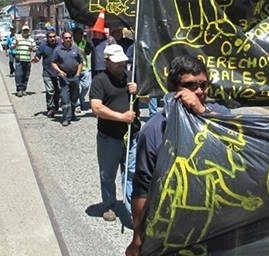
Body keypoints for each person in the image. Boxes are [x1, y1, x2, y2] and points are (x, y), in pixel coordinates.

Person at [126, 55, 229, 256]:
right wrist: (138, 238)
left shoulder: (220, 115)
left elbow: (240, 140)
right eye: (190, 85)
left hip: (218, 226)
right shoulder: (155, 130)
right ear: (172, 87)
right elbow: (143, 188)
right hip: (174, 228)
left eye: (203, 85)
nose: (199, 91)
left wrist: (202, 112)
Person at [89, 44, 140, 223]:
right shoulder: (100, 80)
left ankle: (133, 208)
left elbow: (149, 99)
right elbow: (96, 107)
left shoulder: (131, 78)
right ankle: (109, 204)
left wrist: (139, 91)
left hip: (132, 135)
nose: (121, 66)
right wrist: (121, 117)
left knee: (132, 172)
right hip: (109, 136)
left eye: (123, 62)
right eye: (117, 63)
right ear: (107, 62)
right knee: (108, 174)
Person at [51, 30, 83, 127]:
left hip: (75, 76)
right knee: (65, 98)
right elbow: (53, 62)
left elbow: (80, 61)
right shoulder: (58, 50)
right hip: (64, 77)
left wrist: (78, 73)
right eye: (66, 38)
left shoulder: (75, 48)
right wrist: (59, 71)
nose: (68, 39)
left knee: (74, 96)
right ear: (62, 39)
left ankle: (72, 113)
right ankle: (66, 118)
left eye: (69, 38)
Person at [34, 30, 61, 118]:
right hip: (47, 72)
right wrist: (36, 59)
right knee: (50, 91)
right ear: (47, 38)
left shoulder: (60, 45)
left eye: (54, 36)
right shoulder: (43, 46)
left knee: (58, 91)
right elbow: (38, 55)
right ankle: (50, 108)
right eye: (50, 37)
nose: (52, 39)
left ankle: (56, 105)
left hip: (58, 72)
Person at [12, 24, 37, 97]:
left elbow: (34, 48)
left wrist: (32, 48)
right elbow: (12, 47)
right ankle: (19, 89)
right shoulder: (18, 38)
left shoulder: (31, 39)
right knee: (18, 75)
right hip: (19, 59)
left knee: (26, 75)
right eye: (24, 30)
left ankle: (24, 89)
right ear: (22, 31)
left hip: (27, 60)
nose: (25, 31)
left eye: (27, 30)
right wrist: (16, 43)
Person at [73, 26, 93, 112]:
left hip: (85, 68)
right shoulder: (70, 43)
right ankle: (77, 104)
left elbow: (88, 51)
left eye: (80, 34)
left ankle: (81, 98)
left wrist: (80, 50)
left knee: (86, 86)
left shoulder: (86, 43)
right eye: (76, 34)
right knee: (76, 87)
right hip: (74, 69)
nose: (78, 36)